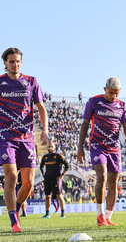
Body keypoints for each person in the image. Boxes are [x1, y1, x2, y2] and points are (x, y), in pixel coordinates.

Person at [0, 47, 48, 232]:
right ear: (5, 63)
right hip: (6, 137)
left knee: (28, 183)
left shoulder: (31, 82)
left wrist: (45, 129)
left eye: (18, 61)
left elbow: (41, 107)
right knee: (11, 175)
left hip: (27, 139)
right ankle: (14, 221)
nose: (15, 64)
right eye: (11, 61)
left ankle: (17, 210)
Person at [77, 77, 126, 226]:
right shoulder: (93, 102)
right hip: (97, 145)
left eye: (116, 93)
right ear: (104, 89)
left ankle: (109, 216)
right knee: (101, 176)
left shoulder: (122, 106)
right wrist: (80, 148)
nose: (113, 96)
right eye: (110, 93)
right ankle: (100, 215)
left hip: (114, 148)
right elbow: (84, 125)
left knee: (113, 183)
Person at [40, 141, 69, 218]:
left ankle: (63, 213)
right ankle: (47, 214)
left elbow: (67, 165)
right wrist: (43, 173)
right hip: (47, 179)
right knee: (47, 196)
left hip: (56, 179)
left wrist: (62, 175)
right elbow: (41, 166)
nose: (50, 148)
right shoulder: (45, 157)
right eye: (49, 146)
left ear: (54, 147)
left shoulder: (58, 156)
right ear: (47, 147)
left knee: (59, 195)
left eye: (51, 146)